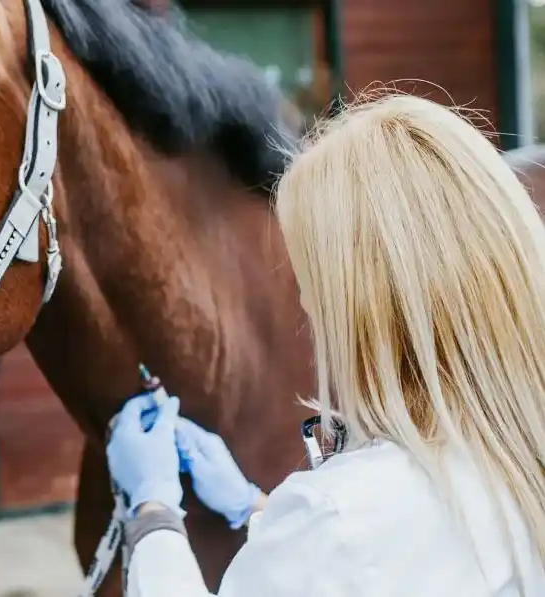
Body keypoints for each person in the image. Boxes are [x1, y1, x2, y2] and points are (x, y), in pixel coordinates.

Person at [106, 93, 545, 597]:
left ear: (364, 308)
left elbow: (347, 550)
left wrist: (153, 511)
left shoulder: (338, 519)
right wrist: (252, 506)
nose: (306, 306)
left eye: (310, 285)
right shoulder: (515, 457)